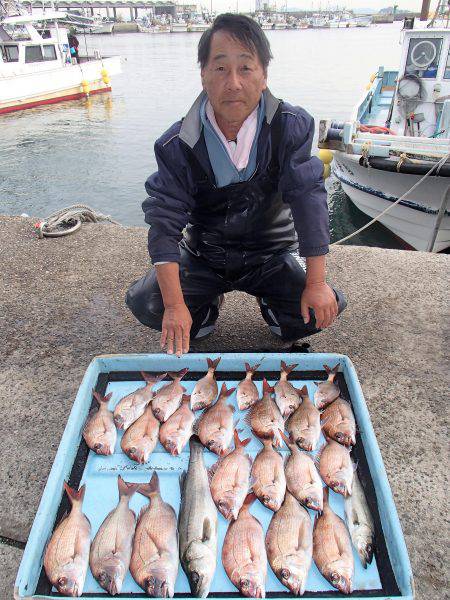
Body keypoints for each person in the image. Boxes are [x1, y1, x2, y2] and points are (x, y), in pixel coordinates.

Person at [126, 13, 346, 356]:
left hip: (270, 255)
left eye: (245, 68)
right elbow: (164, 222)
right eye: (220, 69)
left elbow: (309, 198)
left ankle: (276, 310)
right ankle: (204, 308)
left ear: (263, 75)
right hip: (204, 256)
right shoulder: (177, 144)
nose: (233, 83)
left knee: (320, 309)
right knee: (148, 305)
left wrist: (316, 283)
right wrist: (173, 305)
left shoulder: (290, 127)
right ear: (203, 75)